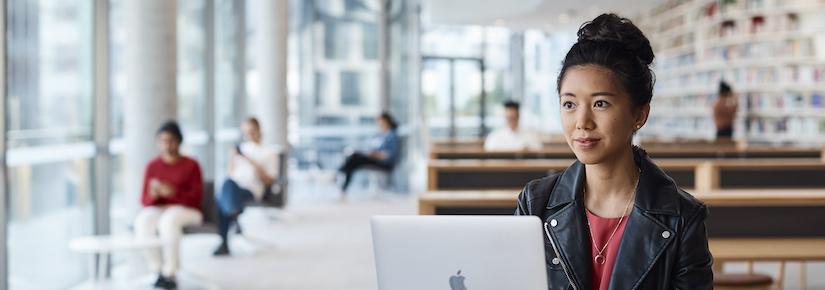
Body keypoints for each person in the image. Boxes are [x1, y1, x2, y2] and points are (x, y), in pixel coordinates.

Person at [515, 14, 713, 289]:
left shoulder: (682, 217)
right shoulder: (535, 203)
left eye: (600, 104)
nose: (582, 123)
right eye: (569, 104)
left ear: (639, 114)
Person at [134, 121, 204, 290]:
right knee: (143, 220)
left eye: (170, 140)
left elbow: (196, 198)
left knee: (169, 220)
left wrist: (173, 194)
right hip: (160, 208)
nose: (166, 145)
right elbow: (144, 201)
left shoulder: (191, 164)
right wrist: (154, 195)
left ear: (179, 141)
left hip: (187, 210)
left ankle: (170, 273)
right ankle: (157, 269)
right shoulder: (152, 166)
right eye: (162, 141)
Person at [212, 117, 279, 256]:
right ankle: (233, 214)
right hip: (233, 186)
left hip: (252, 189)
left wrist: (250, 160)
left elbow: (270, 181)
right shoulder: (240, 149)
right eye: (246, 132)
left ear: (259, 130)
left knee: (223, 197)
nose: (249, 135)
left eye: (252, 131)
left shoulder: (269, 152)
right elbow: (230, 172)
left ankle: (225, 238)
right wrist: (232, 158)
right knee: (227, 184)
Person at [338, 112, 399, 197]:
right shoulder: (379, 135)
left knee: (354, 158)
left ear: (386, 121)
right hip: (373, 159)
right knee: (353, 160)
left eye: (380, 121)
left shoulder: (391, 135)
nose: (379, 123)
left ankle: (339, 173)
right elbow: (370, 146)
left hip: (384, 163)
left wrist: (375, 154)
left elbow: (390, 155)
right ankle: (342, 183)